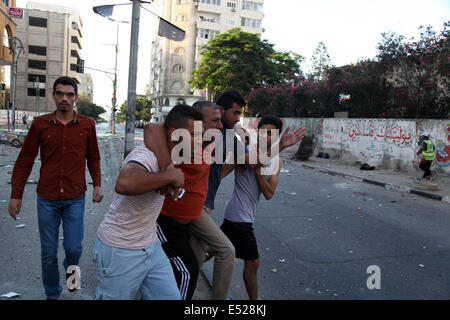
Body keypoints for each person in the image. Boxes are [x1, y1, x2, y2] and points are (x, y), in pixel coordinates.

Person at [8, 76, 104, 300]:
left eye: (69, 94)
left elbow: (94, 157)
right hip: (47, 198)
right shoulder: (40, 124)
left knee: (74, 249)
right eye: (60, 94)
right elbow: (25, 160)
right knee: (48, 252)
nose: (64, 99)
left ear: (76, 98)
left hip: (74, 198)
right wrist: (16, 195)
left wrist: (97, 184)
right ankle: (52, 293)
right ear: (53, 95)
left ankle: (73, 282)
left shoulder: (87, 125)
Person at [93, 105, 196, 300]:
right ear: (175, 133)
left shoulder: (170, 155)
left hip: (150, 246)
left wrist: (169, 173)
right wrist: (168, 176)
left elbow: (154, 127)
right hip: (120, 249)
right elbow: (125, 183)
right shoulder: (145, 156)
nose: (197, 141)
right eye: (193, 135)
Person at [143, 101, 225, 300]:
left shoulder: (211, 139)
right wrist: (168, 169)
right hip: (169, 221)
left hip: (192, 219)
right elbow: (152, 127)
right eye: (215, 121)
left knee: (181, 271)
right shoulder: (182, 140)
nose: (220, 126)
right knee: (187, 271)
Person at [220, 115, 284, 300]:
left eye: (272, 134)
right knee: (253, 261)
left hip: (243, 215)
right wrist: (255, 164)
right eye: (264, 132)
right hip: (239, 216)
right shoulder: (248, 151)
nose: (267, 137)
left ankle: (188, 265)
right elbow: (238, 165)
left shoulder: (277, 161)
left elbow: (269, 193)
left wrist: (258, 172)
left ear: (278, 136)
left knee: (212, 251)